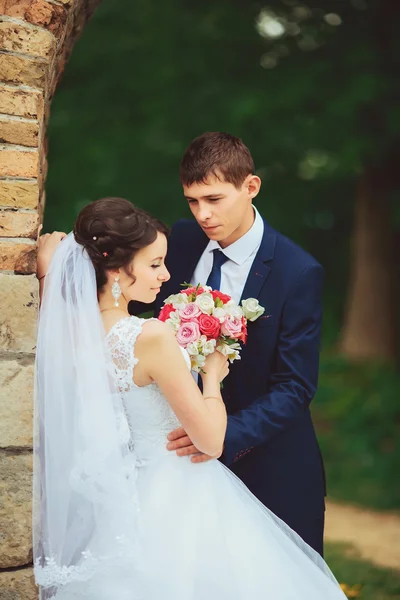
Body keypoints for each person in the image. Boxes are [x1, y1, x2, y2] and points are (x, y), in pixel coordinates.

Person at [34, 197, 345, 599]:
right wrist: (213, 376)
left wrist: (46, 273)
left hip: (126, 494)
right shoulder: (150, 337)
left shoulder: (70, 330)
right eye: (153, 264)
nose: (165, 274)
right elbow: (211, 440)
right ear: (113, 267)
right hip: (181, 489)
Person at [135, 132, 326, 555]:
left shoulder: (298, 272)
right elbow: (126, 299)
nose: (203, 214)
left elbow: (295, 387)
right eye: (192, 201)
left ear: (250, 187)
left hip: (269, 467)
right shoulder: (180, 242)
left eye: (214, 199)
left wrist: (220, 437)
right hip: (178, 463)